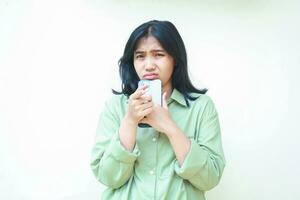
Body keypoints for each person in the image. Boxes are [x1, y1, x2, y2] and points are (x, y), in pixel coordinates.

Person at [90, 20, 225, 200]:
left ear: (175, 59)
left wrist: (170, 128)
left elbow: (210, 178)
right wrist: (130, 122)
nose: (148, 65)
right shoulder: (116, 107)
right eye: (140, 56)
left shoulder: (201, 107)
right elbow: (107, 177)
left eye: (158, 54)